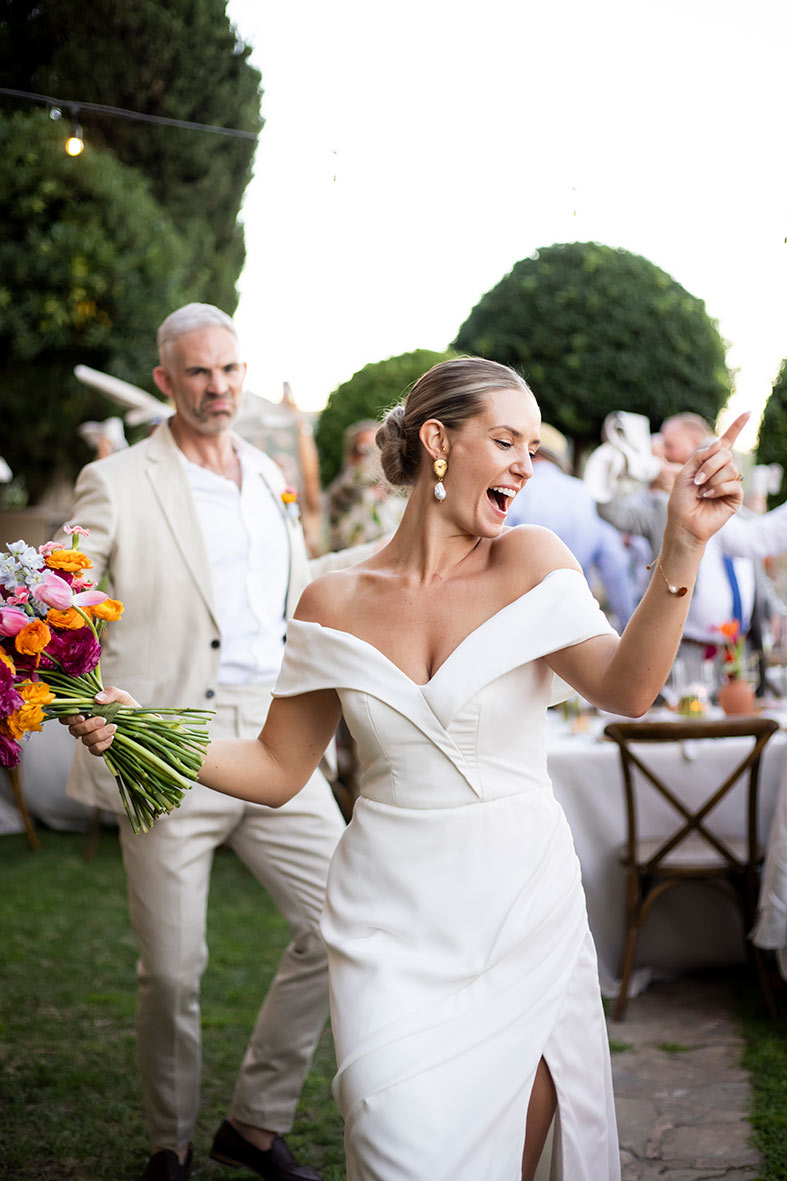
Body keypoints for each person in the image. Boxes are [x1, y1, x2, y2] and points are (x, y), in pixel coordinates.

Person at [69, 357, 747, 1181]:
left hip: (519, 915)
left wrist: (683, 542)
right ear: (437, 441)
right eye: (505, 441)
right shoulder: (331, 597)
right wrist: (140, 730)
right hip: (387, 928)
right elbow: (279, 766)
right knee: (397, 1150)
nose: (525, 466)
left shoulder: (531, 560)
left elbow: (629, 688)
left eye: (531, 448)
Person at [59, 304, 347, 1181]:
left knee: (346, 919)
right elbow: (61, 596)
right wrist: (81, 694)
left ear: (241, 372)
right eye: (196, 372)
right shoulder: (117, 480)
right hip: (164, 747)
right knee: (174, 972)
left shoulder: (268, 475)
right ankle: (169, 1147)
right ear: (164, 381)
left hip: (281, 739)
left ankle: (255, 1124)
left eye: (227, 370)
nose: (216, 386)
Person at [505, 422, 636, 628]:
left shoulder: (513, 490)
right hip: (572, 622)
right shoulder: (590, 497)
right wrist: (628, 624)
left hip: (515, 617)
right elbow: (615, 569)